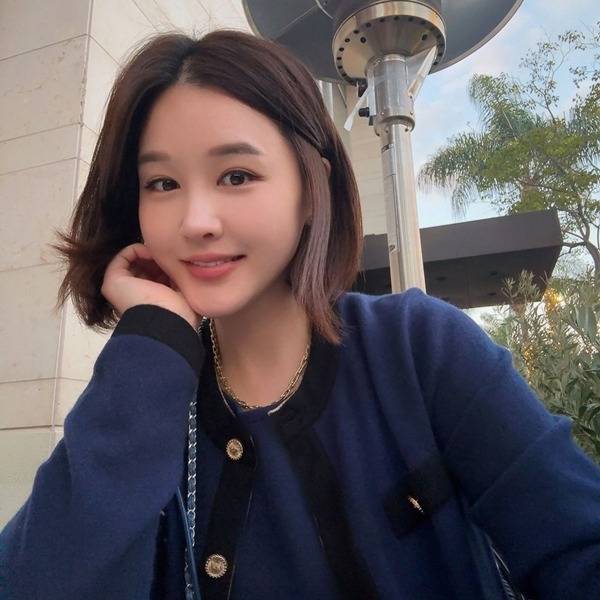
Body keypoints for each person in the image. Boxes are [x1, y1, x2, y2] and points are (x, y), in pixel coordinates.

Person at [1, 29, 599, 600]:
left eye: (237, 175)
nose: (195, 221)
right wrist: (153, 336)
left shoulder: (419, 349)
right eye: (161, 184)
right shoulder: (143, 398)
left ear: (312, 189)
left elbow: (578, 546)